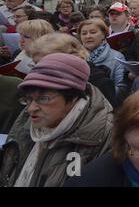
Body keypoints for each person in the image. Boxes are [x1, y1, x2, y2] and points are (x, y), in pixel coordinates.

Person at [0, 53, 113, 187]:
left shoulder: (105, 137)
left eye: (43, 99)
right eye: (28, 99)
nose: (31, 108)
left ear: (73, 99)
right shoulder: (26, 120)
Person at [28, 32, 117, 108]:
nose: (38, 69)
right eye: (36, 64)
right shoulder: (45, 82)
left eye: (44, 63)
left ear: (69, 57)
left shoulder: (98, 83)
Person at [78, 19, 126, 93]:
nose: (88, 36)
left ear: (103, 34)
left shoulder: (117, 57)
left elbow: (121, 89)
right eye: (84, 33)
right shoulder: (75, 57)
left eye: (93, 32)